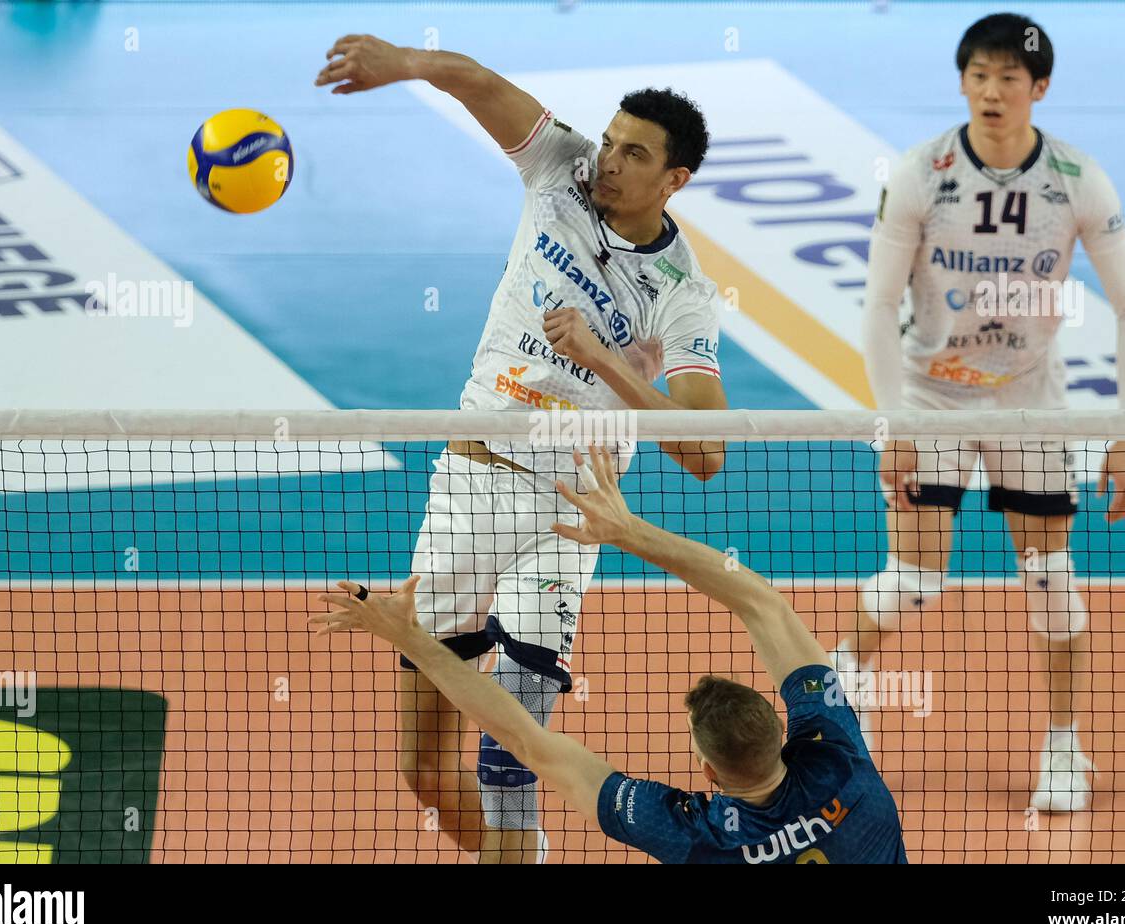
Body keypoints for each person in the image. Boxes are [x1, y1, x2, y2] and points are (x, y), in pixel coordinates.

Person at [316, 36, 728, 861]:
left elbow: (705, 450)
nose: (607, 161)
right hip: (469, 488)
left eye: (633, 154)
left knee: (509, 754)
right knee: (427, 772)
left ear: (673, 180)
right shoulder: (561, 172)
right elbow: (473, 79)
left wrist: (605, 361)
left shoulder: (683, 296)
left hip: (570, 513)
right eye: (610, 140)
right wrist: (403, 60)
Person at [313, 447, 908, 863]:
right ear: (785, 735)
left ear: (705, 771)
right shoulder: (843, 767)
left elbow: (526, 740)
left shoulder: (691, 832)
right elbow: (766, 606)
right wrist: (628, 531)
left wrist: (410, 639)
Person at [853, 12, 1125, 812]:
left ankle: (1064, 749)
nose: (991, 91)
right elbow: (879, 305)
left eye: (1008, 80)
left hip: (1028, 398)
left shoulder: (1077, 178)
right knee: (915, 581)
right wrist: (896, 425)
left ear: (1039, 89)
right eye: (978, 76)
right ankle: (848, 676)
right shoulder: (922, 172)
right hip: (932, 396)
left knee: (1050, 579)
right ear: (962, 82)